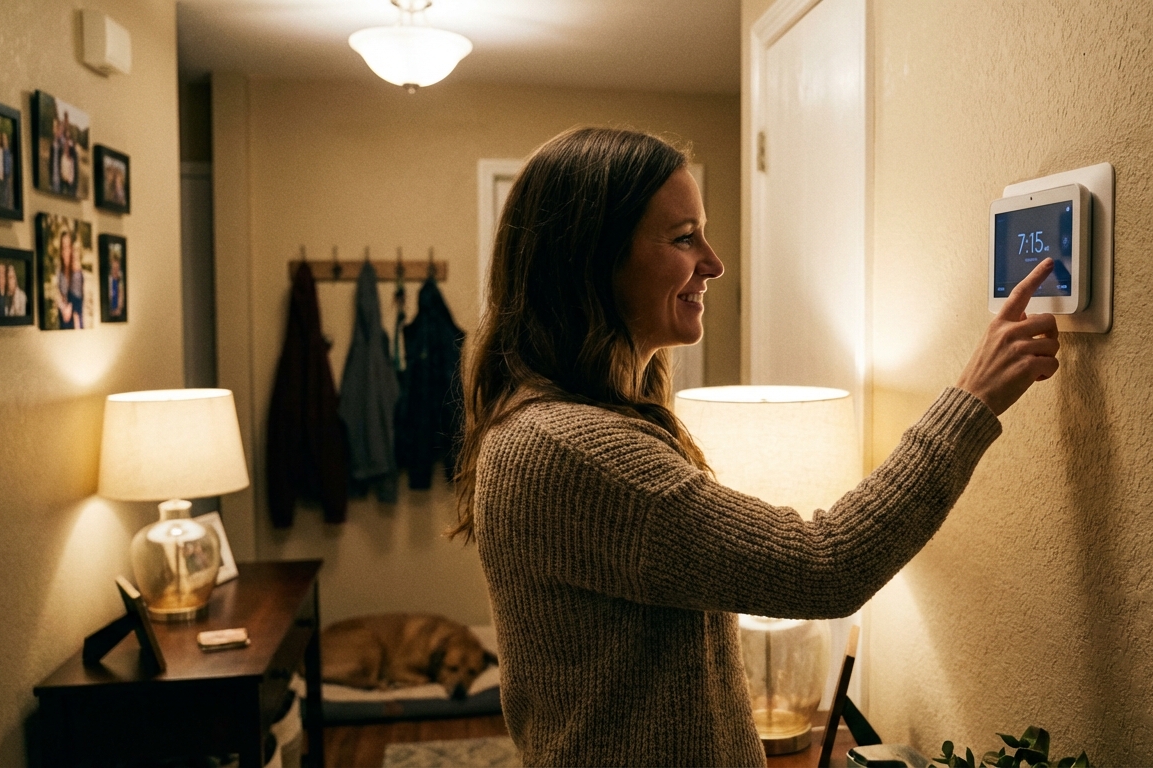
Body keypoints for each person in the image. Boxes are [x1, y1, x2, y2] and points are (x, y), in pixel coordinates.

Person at [451, 127, 1060, 766]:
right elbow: (823, 567)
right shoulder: (571, 451)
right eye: (684, 238)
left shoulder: (564, 426)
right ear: (593, 257)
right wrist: (971, 400)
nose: (713, 263)